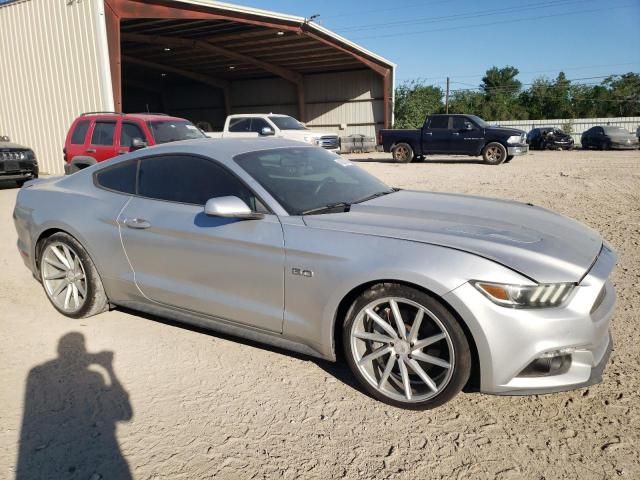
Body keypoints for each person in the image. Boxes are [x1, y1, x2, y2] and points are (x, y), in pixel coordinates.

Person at [16, 333, 133, 479]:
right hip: (106, 446)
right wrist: (109, 367)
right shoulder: (95, 375)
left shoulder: (36, 371)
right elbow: (125, 415)